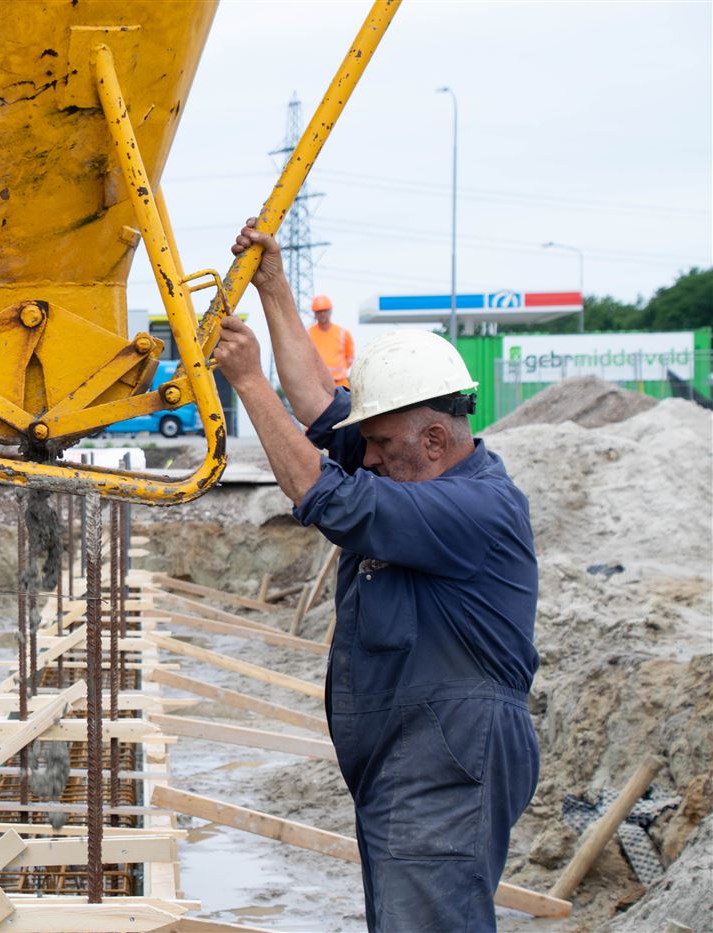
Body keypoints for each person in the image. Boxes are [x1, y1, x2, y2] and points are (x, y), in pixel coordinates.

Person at [214, 219, 540, 933]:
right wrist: (273, 288)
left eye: (385, 446)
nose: (372, 458)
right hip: (413, 752)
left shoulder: (473, 507)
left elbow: (328, 496)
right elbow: (318, 408)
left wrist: (245, 379)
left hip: (448, 753)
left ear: (435, 436)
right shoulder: (417, 463)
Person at [308, 294, 355, 387]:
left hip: (340, 383)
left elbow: (350, 358)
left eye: (325, 311)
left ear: (330, 311)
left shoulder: (343, 333)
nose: (322, 314)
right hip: (318, 385)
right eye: (319, 312)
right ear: (314, 314)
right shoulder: (308, 334)